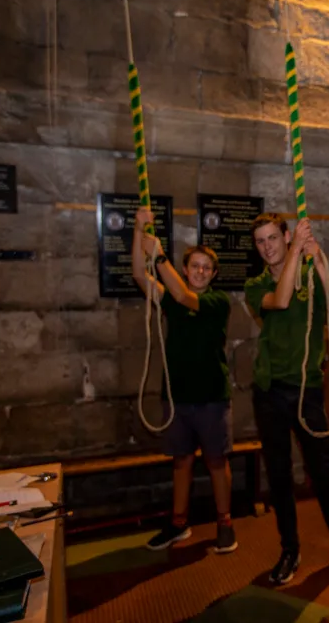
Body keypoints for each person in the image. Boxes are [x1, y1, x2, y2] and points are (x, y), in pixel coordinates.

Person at [244, 213, 329, 585]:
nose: (267, 247)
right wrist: (297, 250)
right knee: (280, 474)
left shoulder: (310, 274)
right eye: (260, 242)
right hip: (269, 391)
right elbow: (281, 300)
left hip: (306, 387)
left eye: (272, 238)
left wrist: (316, 259)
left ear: (284, 236)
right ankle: (289, 549)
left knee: (321, 472)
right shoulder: (256, 285)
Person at [129, 207, 237, 554]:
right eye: (195, 266)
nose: (201, 272)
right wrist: (138, 231)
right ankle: (178, 523)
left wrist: (159, 254)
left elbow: (183, 295)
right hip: (177, 397)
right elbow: (137, 274)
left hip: (210, 397)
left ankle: (224, 522)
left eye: (207, 268)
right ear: (187, 269)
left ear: (213, 273)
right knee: (181, 460)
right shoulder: (171, 297)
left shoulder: (217, 302)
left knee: (217, 461)